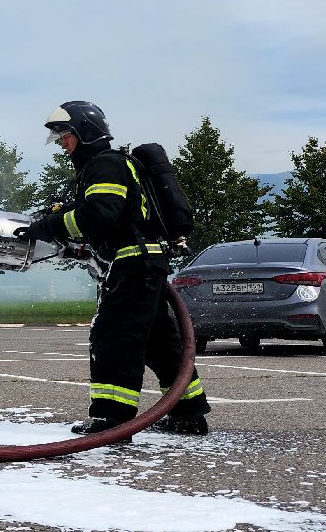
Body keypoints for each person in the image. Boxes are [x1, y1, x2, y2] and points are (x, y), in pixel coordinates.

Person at [20, 101, 211, 436]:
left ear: (84, 131)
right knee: (161, 345)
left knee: (113, 338)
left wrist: (47, 226)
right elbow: (103, 216)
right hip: (142, 263)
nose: (62, 142)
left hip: (132, 264)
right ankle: (188, 413)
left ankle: (112, 419)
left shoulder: (105, 166)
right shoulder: (104, 166)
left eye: (66, 134)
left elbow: (100, 215)